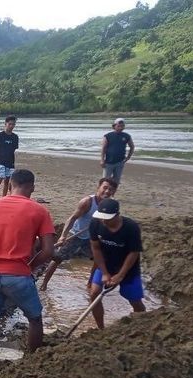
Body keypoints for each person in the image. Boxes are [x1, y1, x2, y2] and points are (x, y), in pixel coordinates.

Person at [0, 169, 55, 376]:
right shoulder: (39, 211)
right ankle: (31, 368)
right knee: (35, 319)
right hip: (18, 276)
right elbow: (49, 251)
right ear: (31, 187)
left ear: (10, 185)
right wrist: (31, 265)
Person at [39, 177, 118, 291]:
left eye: (110, 190)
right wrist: (63, 236)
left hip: (93, 238)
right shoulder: (87, 202)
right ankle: (44, 284)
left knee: (98, 260)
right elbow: (72, 218)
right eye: (105, 188)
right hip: (76, 234)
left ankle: (90, 284)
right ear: (99, 187)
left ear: (114, 192)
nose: (107, 191)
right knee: (57, 259)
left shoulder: (111, 205)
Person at [88, 198, 146, 329]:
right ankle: (101, 329)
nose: (104, 221)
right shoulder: (95, 224)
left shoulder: (131, 227)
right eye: (102, 218)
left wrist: (120, 275)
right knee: (94, 293)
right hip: (106, 264)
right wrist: (105, 273)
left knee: (134, 300)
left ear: (117, 215)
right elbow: (96, 248)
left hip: (128, 268)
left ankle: (142, 325)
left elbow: (134, 252)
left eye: (107, 218)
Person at [0, 115, 19, 200]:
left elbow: (13, 149)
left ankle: (4, 198)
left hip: (10, 161)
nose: (11, 126)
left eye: (13, 124)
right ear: (5, 124)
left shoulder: (15, 137)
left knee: (8, 181)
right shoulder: (0, 136)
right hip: (0, 161)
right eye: (10, 124)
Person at [101, 117, 135, 183]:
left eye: (122, 126)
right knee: (105, 180)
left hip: (120, 162)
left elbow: (132, 147)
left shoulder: (126, 136)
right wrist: (102, 160)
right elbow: (103, 148)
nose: (120, 128)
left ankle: (112, 193)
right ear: (114, 126)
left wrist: (128, 157)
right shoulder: (107, 136)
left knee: (116, 181)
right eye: (119, 126)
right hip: (108, 162)